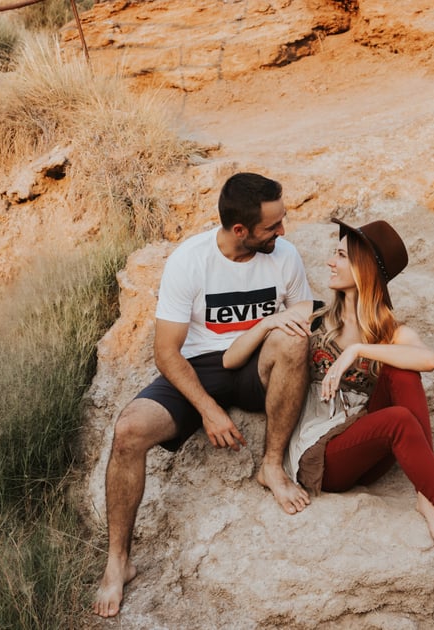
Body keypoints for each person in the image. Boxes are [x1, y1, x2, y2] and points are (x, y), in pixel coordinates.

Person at [223, 218, 434, 577]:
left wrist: (359, 349)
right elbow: (231, 359)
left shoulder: (392, 332)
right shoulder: (311, 317)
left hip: (366, 448)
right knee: (400, 418)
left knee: (402, 369)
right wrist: (267, 323)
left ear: (364, 270)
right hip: (320, 456)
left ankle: (428, 498)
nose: (330, 262)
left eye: (341, 255)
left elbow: (428, 360)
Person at [93, 172, 317, 618]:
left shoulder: (284, 256)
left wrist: (265, 327)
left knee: (293, 341)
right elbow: (165, 353)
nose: (283, 232)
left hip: (257, 362)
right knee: (128, 432)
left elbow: (303, 309)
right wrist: (209, 411)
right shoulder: (189, 262)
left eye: (282, 221)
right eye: (273, 227)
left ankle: (271, 466)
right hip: (200, 368)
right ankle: (119, 560)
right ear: (241, 231)